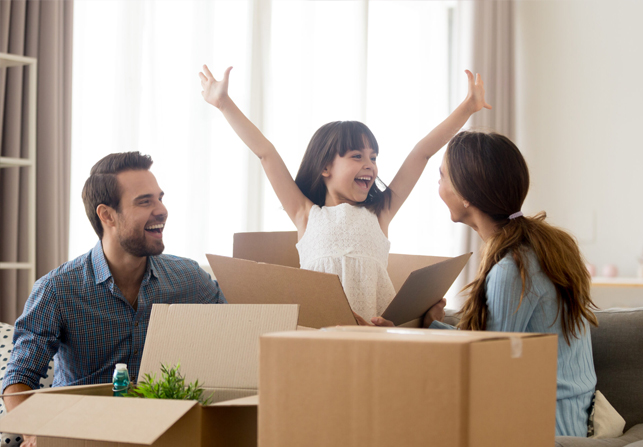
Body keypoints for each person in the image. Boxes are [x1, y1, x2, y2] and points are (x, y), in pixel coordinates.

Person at [199, 65, 490, 321]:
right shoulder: (305, 214)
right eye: (357, 156)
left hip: (376, 334)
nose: (370, 166)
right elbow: (266, 153)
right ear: (325, 167)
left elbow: (422, 153)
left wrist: (468, 107)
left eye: (373, 157)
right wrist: (224, 103)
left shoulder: (380, 213)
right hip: (323, 334)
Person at [371, 131, 598, 437]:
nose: (438, 187)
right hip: (565, 416)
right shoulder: (538, 248)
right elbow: (495, 343)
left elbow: (486, 370)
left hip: (546, 428)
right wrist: (432, 326)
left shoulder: (512, 268)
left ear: (467, 195)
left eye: (442, 177)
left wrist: (402, 344)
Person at [2, 152, 226, 419]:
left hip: (161, 428)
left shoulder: (189, 279)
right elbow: (18, 381)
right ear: (107, 215)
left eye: (160, 198)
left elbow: (240, 333)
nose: (161, 210)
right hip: (82, 430)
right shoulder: (57, 290)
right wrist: (36, 432)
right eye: (144, 202)